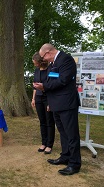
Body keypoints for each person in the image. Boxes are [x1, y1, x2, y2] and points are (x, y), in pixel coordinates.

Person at [33, 43, 81, 175]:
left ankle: (74, 164)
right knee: (63, 133)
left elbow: (63, 80)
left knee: (71, 135)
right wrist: (44, 87)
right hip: (56, 103)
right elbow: (51, 80)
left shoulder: (66, 59)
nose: (44, 59)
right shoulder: (53, 63)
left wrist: (44, 87)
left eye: (43, 56)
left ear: (48, 52)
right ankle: (65, 157)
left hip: (67, 103)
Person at [31, 52, 55, 154]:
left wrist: (51, 102)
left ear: (40, 62)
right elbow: (35, 86)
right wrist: (33, 99)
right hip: (39, 98)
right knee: (42, 122)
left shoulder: (51, 70)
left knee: (49, 121)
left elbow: (53, 86)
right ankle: (43, 143)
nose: (34, 64)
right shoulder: (36, 71)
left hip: (48, 98)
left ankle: (49, 144)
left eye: (35, 62)